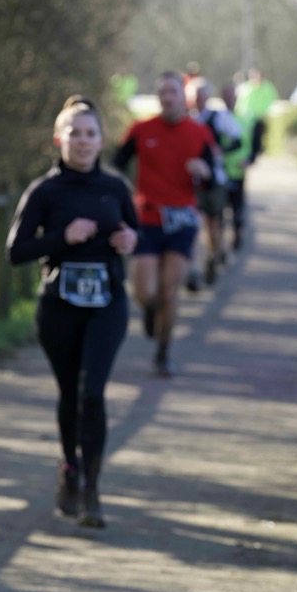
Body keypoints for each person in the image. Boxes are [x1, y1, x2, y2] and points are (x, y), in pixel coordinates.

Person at [6, 96, 139, 527]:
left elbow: (134, 231)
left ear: (101, 140)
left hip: (107, 304)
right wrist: (64, 236)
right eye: (74, 133)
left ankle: (91, 489)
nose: (82, 141)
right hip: (59, 307)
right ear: (58, 139)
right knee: (70, 393)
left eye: (90, 133)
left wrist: (129, 241)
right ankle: (70, 466)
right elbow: (16, 251)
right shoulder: (44, 191)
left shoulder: (115, 187)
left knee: (92, 393)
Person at [112, 70, 217, 377]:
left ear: (183, 97)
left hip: (181, 221)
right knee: (146, 293)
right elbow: (116, 167)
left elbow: (213, 180)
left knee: (170, 293)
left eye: (173, 92)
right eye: (162, 93)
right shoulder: (141, 129)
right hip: (146, 219)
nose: (167, 98)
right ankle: (149, 309)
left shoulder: (199, 133)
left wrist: (204, 172)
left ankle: (163, 352)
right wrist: (124, 199)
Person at [188, 78, 243, 284]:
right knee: (193, 224)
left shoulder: (217, 117)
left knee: (213, 224)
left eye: (201, 96)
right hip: (189, 180)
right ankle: (195, 268)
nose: (198, 100)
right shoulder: (186, 118)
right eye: (195, 96)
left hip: (213, 179)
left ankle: (214, 256)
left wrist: (221, 150)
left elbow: (237, 139)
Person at [221, 79, 258, 251]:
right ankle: (219, 246)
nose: (230, 99)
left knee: (237, 210)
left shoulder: (246, 118)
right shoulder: (218, 118)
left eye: (232, 96)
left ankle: (237, 237)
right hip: (220, 172)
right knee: (219, 211)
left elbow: (253, 144)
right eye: (226, 96)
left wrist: (249, 160)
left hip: (238, 171)